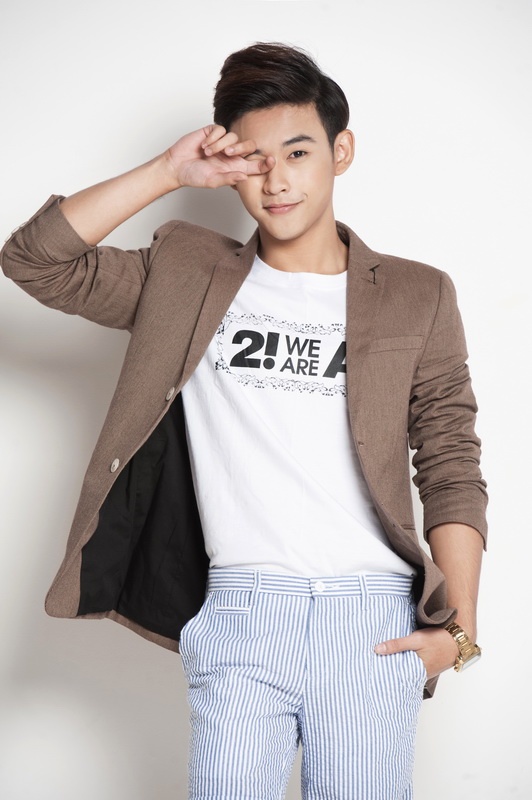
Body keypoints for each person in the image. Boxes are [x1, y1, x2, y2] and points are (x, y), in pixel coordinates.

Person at [1, 42, 487, 799]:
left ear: (341, 151)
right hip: (240, 609)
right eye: (255, 159)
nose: (277, 179)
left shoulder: (416, 295)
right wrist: (168, 171)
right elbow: (35, 259)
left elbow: (450, 459)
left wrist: (458, 634)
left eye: (297, 152)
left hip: (373, 618)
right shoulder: (186, 273)